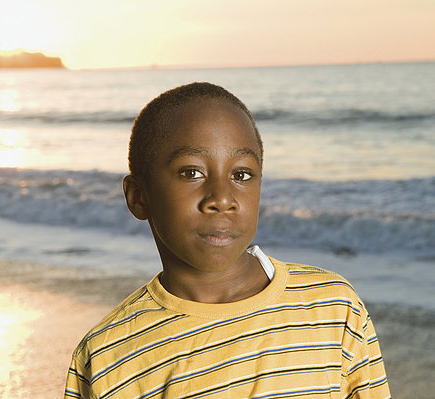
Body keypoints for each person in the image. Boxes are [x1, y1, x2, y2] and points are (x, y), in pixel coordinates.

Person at [64, 82, 390, 398]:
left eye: (241, 175)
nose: (222, 198)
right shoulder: (108, 357)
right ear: (138, 197)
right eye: (191, 172)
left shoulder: (335, 309)